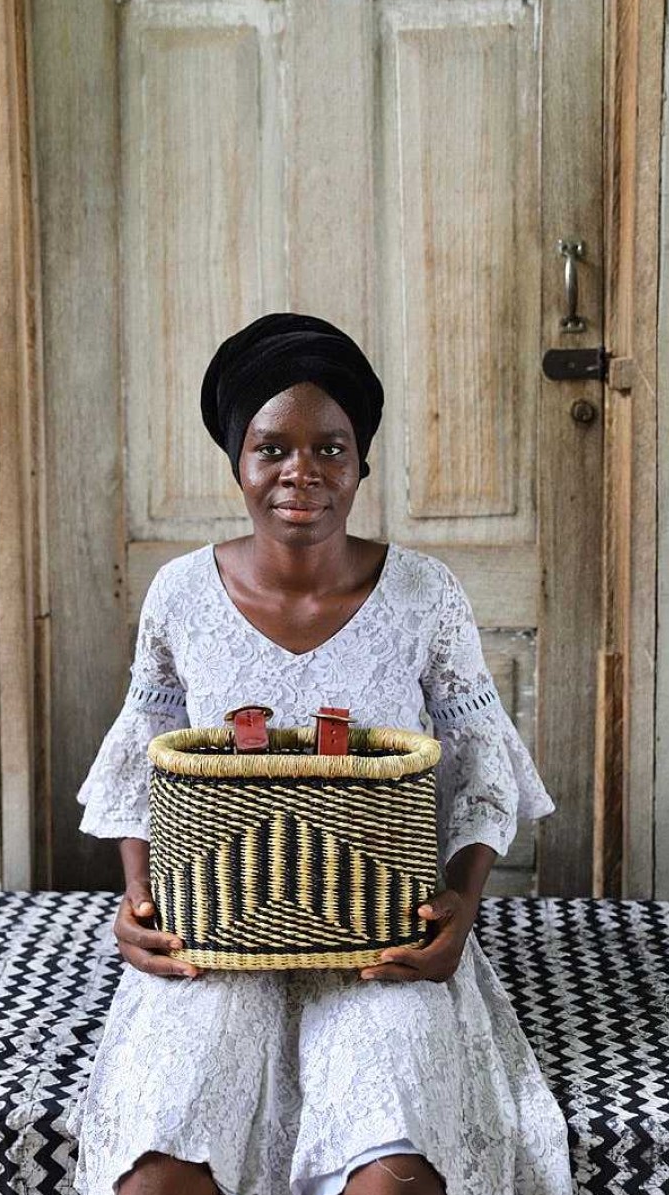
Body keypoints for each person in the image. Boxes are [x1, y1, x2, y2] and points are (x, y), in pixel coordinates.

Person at [65, 313, 573, 1195]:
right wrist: (140, 903)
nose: (301, 471)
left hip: (380, 936)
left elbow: (483, 767)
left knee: (395, 1174)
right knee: (157, 1173)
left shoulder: (423, 592)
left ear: (361, 461)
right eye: (271, 448)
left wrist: (459, 904)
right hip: (216, 935)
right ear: (236, 461)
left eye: (330, 447)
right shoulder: (181, 593)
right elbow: (140, 762)